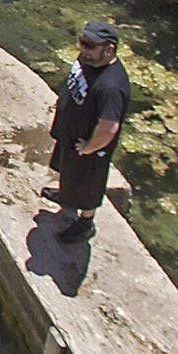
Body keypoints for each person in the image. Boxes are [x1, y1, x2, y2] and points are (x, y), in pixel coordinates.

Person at [42, 19, 131, 243]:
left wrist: (89, 147)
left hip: (88, 147)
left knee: (87, 186)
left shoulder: (112, 86)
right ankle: (65, 196)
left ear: (109, 49)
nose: (83, 49)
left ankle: (85, 223)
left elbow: (109, 127)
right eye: (82, 42)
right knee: (67, 169)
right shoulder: (89, 60)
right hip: (69, 133)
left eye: (90, 46)